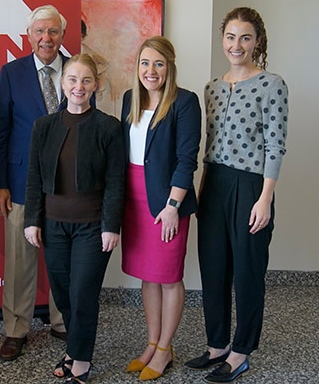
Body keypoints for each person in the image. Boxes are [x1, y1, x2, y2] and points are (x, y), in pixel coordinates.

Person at [184, 7, 289, 384]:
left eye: (245, 37)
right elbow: (209, 144)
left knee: (247, 272)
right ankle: (216, 346)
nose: (237, 45)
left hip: (251, 186)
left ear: (257, 41)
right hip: (214, 185)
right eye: (230, 37)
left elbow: (276, 145)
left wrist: (265, 198)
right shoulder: (212, 87)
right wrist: (203, 184)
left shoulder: (271, 84)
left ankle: (241, 351)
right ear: (222, 40)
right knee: (213, 268)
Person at [24, 54, 125, 383]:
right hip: (53, 227)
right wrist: (32, 220)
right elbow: (35, 178)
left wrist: (111, 226)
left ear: (95, 85)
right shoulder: (44, 126)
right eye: (72, 80)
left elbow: (115, 182)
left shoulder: (109, 127)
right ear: (62, 83)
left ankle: (80, 359)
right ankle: (74, 349)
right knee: (64, 293)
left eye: (85, 80)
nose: (78, 87)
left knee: (83, 294)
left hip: (92, 229)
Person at [120, 36, 201, 381]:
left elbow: (187, 160)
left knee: (168, 277)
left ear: (169, 67)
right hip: (133, 199)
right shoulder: (129, 99)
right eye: (145, 63)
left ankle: (166, 349)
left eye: (158, 64)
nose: (150, 71)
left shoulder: (185, 102)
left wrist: (172, 206)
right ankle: (152, 342)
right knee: (147, 276)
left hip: (166, 201)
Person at [0, 4, 69, 361]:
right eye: (39, 31)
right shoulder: (11, 73)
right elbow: (1, 131)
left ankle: (61, 320)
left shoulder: (78, 70)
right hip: (21, 181)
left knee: (63, 256)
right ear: (29, 35)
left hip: (67, 186)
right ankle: (16, 328)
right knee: (20, 259)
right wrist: (0, 184)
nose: (46, 38)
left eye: (53, 31)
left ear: (62, 36)